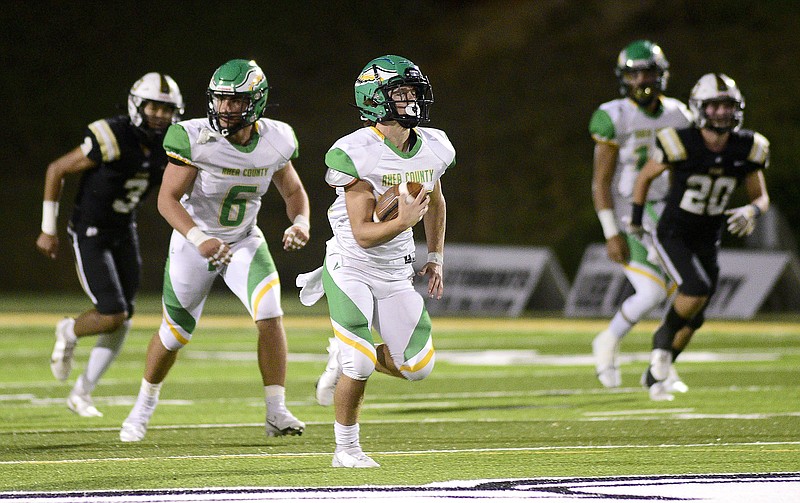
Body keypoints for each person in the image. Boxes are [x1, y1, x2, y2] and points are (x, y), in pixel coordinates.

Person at [119, 59, 311, 441]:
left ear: (256, 102)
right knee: (175, 335)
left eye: (234, 101)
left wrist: (301, 222)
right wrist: (199, 238)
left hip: (242, 240)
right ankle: (142, 409)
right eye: (220, 99)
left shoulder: (276, 139)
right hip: (196, 242)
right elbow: (168, 199)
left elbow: (294, 192)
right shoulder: (193, 137)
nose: (224, 109)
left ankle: (276, 411)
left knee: (270, 314)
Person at [297, 55, 453, 468]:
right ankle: (346, 450)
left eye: (413, 91)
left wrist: (434, 256)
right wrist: (402, 220)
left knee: (418, 367)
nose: (412, 100)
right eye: (400, 92)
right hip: (350, 266)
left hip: (396, 271)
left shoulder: (435, 146)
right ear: (374, 100)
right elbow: (364, 235)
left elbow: (435, 200)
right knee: (361, 361)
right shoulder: (354, 153)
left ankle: (341, 354)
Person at [36, 72, 184, 417]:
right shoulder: (112, 136)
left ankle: (82, 392)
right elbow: (56, 169)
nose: (160, 115)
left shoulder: (171, 143)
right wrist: (48, 229)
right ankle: (68, 329)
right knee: (112, 313)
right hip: (91, 231)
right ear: (137, 105)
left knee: (124, 315)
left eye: (167, 109)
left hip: (123, 230)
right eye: (154, 107)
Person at [630, 72, 770, 401]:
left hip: (709, 236)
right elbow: (644, 178)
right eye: (715, 106)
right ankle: (660, 351)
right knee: (695, 289)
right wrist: (637, 221)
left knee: (696, 316)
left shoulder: (748, 146)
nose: (722, 113)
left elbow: (760, 197)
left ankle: (656, 373)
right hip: (673, 231)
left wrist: (752, 212)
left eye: (728, 106)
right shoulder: (680, 141)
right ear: (699, 108)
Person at [588, 40, 693, 389]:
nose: (642, 79)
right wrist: (610, 232)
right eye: (634, 72)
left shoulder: (679, 114)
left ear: (661, 74)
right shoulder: (614, 115)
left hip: (667, 213)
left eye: (648, 71)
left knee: (683, 291)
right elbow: (600, 181)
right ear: (624, 77)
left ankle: (662, 366)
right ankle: (608, 342)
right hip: (628, 213)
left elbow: (683, 171)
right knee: (651, 294)